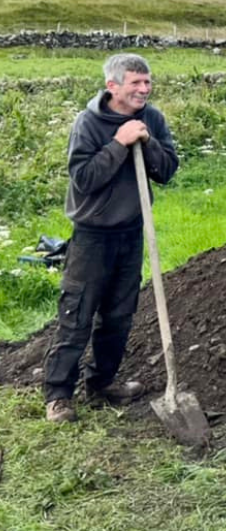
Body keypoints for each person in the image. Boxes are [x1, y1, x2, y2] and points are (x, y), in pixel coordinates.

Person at [44, 53, 179, 423]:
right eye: (136, 82)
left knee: (119, 316)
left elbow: (167, 170)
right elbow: (84, 179)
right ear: (113, 86)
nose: (144, 89)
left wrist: (147, 141)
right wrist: (119, 143)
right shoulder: (88, 124)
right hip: (92, 236)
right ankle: (58, 395)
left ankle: (102, 384)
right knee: (77, 314)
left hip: (132, 232)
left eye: (147, 82)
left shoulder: (152, 118)